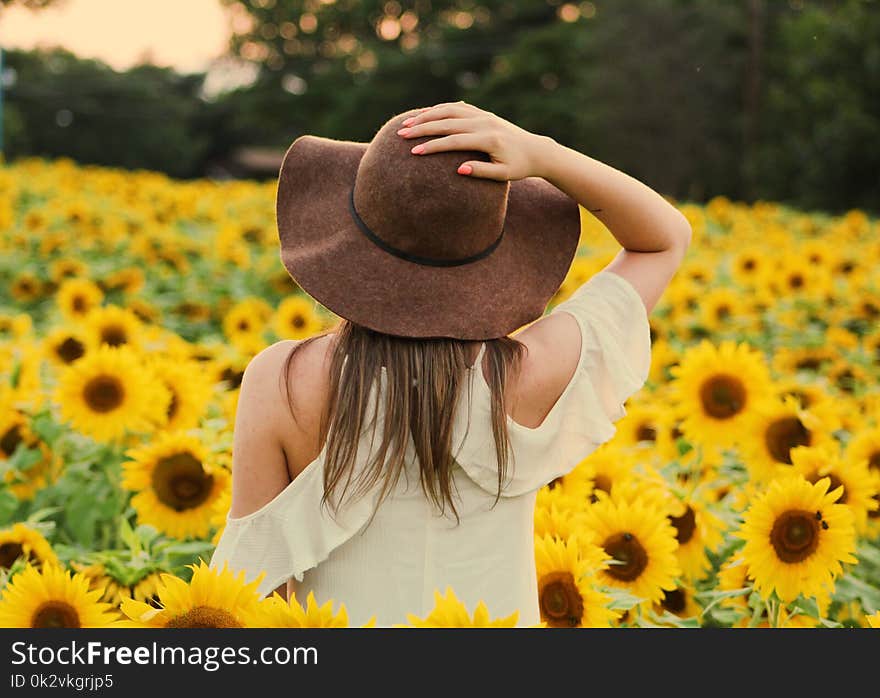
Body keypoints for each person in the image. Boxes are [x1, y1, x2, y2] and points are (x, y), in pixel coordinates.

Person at [209, 100, 692, 627]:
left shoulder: (283, 382)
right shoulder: (535, 373)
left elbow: (253, 591)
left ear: (349, 237)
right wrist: (544, 155)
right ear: (491, 253)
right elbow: (663, 240)